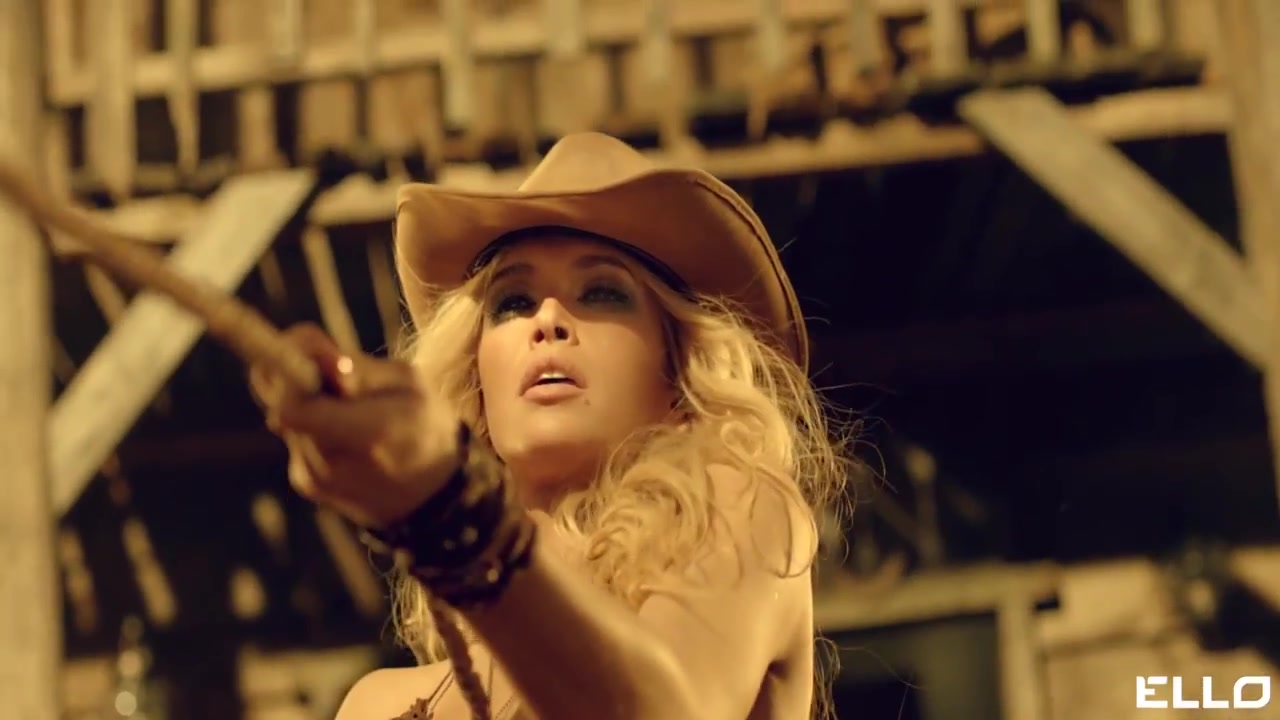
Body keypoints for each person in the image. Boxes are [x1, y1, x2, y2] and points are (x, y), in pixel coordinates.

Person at [252, 132, 854, 720]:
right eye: (512, 302)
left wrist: (452, 510)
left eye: (602, 293)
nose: (548, 319)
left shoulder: (749, 505)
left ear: (678, 371)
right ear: (476, 378)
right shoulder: (378, 704)